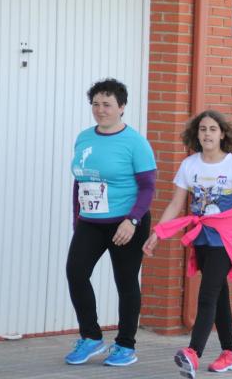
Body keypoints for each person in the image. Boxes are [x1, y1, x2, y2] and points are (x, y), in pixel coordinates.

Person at [142, 110, 232, 379]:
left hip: (224, 241)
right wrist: (157, 232)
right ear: (197, 134)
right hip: (201, 240)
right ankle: (230, 353)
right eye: (202, 129)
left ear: (223, 134)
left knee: (206, 296)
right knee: (219, 296)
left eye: (213, 129)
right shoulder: (190, 164)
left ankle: (193, 353)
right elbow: (176, 203)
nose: (207, 134)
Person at [66, 78, 156, 366]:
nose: (100, 110)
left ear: (121, 107)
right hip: (91, 221)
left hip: (127, 223)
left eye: (107, 104)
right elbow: (80, 182)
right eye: (95, 104)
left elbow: (148, 187)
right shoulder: (84, 138)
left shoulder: (135, 143)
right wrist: (77, 219)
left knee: (126, 282)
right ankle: (91, 337)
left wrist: (132, 220)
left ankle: (125, 345)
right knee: (76, 273)